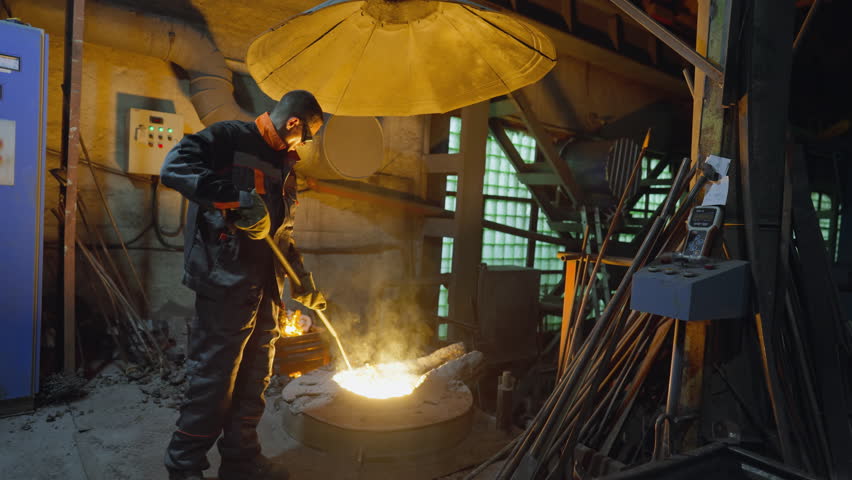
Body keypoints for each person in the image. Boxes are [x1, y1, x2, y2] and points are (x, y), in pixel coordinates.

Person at [160, 90, 327, 480]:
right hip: (225, 286)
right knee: (214, 381)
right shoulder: (226, 139)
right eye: (308, 136)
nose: (305, 145)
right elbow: (173, 167)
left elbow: (282, 235)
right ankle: (183, 467)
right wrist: (233, 198)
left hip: (266, 291)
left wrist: (301, 278)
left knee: (254, 380)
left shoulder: (285, 168)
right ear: (294, 124)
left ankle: (240, 460)